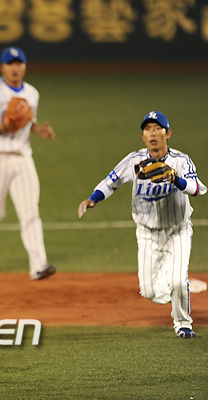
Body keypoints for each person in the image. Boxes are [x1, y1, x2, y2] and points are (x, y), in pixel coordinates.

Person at [78, 111, 206, 338]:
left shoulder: (181, 160)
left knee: (177, 280)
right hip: (147, 234)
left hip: (177, 230)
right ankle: (177, 290)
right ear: (143, 136)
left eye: (157, 128)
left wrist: (176, 179)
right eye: (148, 129)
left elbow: (196, 188)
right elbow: (111, 181)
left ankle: (183, 323)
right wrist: (92, 199)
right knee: (149, 291)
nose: (152, 133)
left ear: (168, 133)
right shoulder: (133, 161)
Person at [0, 46, 57, 280]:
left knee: (30, 212)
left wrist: (38, 129)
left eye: (19, 63)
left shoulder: (32, 93)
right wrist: (3, 127)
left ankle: (38, 265)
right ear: (1, 67)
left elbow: (27, 120)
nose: (15, 68)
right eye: (10, 64)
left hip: (23, 158)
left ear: (24, 66)